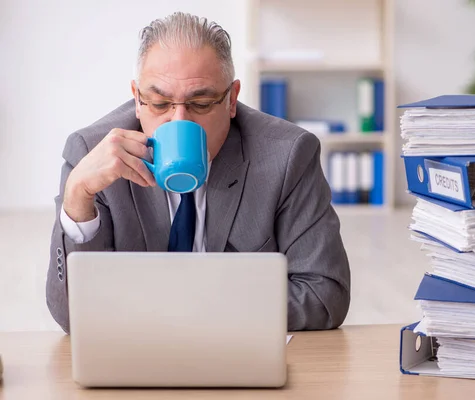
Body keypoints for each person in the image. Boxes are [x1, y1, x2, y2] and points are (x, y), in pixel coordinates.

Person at [46, 12, 351, 334]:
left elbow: (324, 296)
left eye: (201, 103)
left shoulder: (287, 155)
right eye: (159, 103)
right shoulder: (92, 154)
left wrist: (177, 308)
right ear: (137, 99)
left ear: (231, 99)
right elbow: (72, 314)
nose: (179, 121)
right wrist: (77, 197)